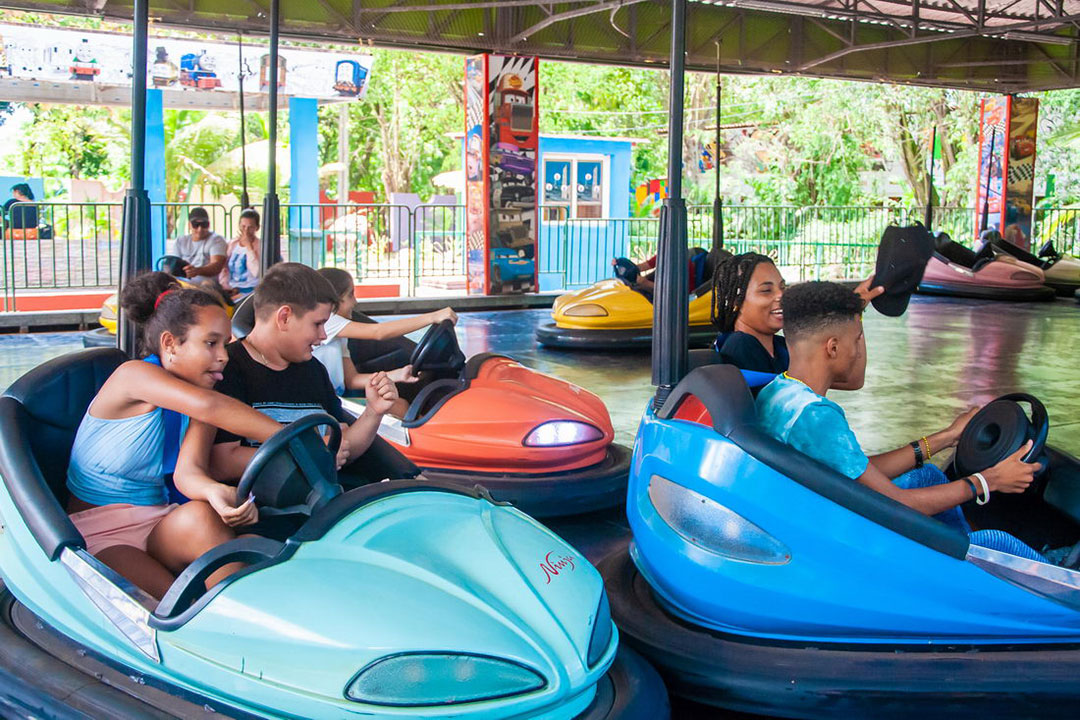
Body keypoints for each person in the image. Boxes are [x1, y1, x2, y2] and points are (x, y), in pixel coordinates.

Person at [755, 281, 1046, 561]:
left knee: (927, 475)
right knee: (997, 544)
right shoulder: (817, 417)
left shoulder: (781, 391)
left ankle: (954, 554)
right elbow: (897, 504)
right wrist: (988, 480)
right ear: (832, 348)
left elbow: (856, 469)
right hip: (841, 535)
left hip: (823, 510)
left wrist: (947, 436)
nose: (858, 351)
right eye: (856, 340)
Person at [65, 272, 283, 599]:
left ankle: (239, 615)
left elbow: (188, 472)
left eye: (225, 344)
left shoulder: (202, 396)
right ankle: (209, 622)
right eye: (211, 343)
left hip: (158, 519)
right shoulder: (133, 376)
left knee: (207, 518)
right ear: (170, 344)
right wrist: (290, 436)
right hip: (102, 530)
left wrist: (213, 492)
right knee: (177, 604)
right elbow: (211, 407)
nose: (223, 355)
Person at [179, 263, 399, 489]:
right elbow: (222, 462)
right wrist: (307, 456)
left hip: (327, 499)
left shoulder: (313, 370)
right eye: (318, 324)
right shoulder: (228, 370)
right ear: (284, 317)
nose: (323, 336)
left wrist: (374, 412)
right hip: (266, 510)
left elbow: (341, 450)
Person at [709, 252, 884, 374]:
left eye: (782, 287)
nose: (781, 296)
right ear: (734, 303)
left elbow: (851, 379)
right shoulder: (740, 345)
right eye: (766, 291)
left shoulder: (781, 346)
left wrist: (854, 311)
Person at [314, 267, 427, 413]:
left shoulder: (340, 334)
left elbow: (352, 380)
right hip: (325, 402)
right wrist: (433, 317)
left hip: (337, 395)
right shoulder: (328, 322)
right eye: (350, 295)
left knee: (399, 403)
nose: (355, 302)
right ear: (334, 299)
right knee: (399, 406)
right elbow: (378, 332)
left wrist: (397, 375)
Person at [168, 207, 227, 284]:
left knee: (207, 283)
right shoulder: (180, 241)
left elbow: (217, 266)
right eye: (196, 225)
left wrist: (197, 271)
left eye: (204, 225)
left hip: (207, 285)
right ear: (189, 225)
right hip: (183, 283)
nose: (200, 229)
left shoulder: (217, 240)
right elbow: (174, 264)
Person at [220, 208, 262, 298]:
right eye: (243, 226)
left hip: (250, 290)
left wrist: (249, 247)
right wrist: (225, 286)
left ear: (257, 228)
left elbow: (256, 271)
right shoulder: (233, 244)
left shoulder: (260, 245)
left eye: (250, 227)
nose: (246, 231)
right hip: (231, 288)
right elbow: (224, 268)